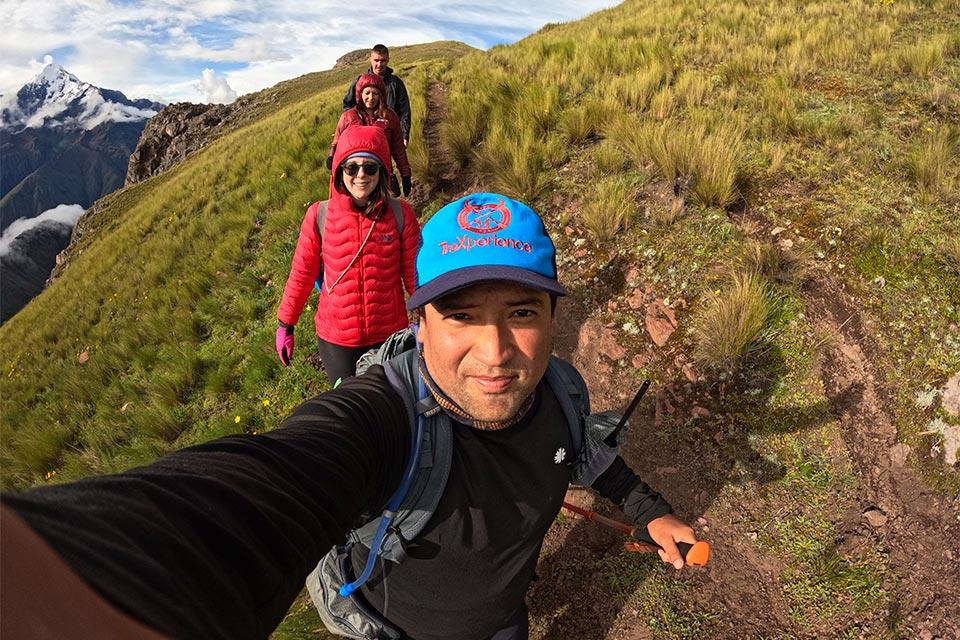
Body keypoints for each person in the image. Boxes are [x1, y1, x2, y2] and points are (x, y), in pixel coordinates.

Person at [1, 193, 698, 640]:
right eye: (460, 316)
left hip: (503, 623)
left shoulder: (565, 395)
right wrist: (79, 578)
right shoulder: (385, 421)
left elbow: (590, 458)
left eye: (521, 313)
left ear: (553, 318)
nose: (495, 353)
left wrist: (650, 508)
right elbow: (268, 486)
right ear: (419, 322)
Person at [276, 124, 419, 383]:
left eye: (370, 167)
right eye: (351, 167)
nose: (360, 175)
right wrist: (286, 323)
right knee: (350, 412)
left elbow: (414, 275)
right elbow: (302, 273)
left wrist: (427, 317)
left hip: (388, 335)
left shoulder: (401, 215)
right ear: (340, 172)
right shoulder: (318, 216)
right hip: (336, 341)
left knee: (390, 408)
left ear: (382, 172)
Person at [329, 72, 412, 198]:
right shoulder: (348, 117)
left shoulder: (390, 117)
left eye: (375, 93)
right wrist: (332, 157)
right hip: (356, 176)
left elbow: (398, 148)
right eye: (367, 93)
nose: (371, 97)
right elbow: (337, 142)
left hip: (382, 174)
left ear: (381, 95)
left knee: (383, 210)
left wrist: (405, 175)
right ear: (359, 94)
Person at [343, 44, 411, 145]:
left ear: (388, 60)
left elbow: (404, 111)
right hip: (361, 138)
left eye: (383, 60)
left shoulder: (396, 83)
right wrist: (356, 127)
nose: (379, 64)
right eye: (376, 60)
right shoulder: (360, 81)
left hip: (388, 137)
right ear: (370, 59)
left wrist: (404, 134)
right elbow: (348, 105)